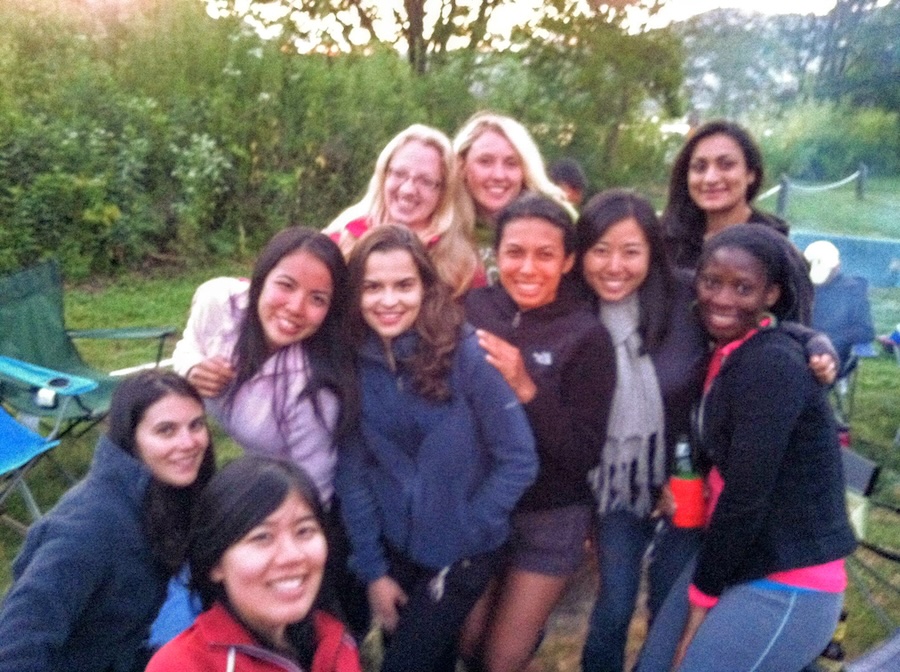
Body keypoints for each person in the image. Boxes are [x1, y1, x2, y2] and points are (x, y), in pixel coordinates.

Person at [636, 225, 857, 672]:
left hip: (788, 578)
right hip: (736, 553)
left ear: (771, 294)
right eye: (712, 282)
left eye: (743, 288)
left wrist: (703, 596)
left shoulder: (770, 364)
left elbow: (747, 493)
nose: (723, 299)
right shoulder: (728, 351)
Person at [336, 225, 538, 672]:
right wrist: (373, 571)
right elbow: (353, 473)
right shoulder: (353, 363)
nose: (388, 301)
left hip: (463, 550)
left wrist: (468, 527)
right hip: (395, 548)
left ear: (426, 288)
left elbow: (518, 458)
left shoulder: (466, 355)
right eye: (373, 287)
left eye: (404, 285)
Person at [169, 226, 366, 637]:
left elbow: (314, 494)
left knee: (306, 614)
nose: (296, 307)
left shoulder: (314, 391)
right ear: (261, 276)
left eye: (318, 300)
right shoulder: (218, 302)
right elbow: (189, 343)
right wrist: (191, 368)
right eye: (286, 285)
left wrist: (279, 552)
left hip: (328, 500)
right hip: (254, 472)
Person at [462, 193, 616, 672]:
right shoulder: (472, 309)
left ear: (568, 261)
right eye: (514, 252)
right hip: (478, 504)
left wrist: (525, 385)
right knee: (464, 643)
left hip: (550, 515)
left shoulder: (586, 335)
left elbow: (582, 451)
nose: (527, 267)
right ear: (495, 255)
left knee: (501, 659)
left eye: (545, 255)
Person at [0, 370, 215, 672]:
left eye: (196, 425)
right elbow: (18, 642)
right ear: (131, 438)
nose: (189, 442)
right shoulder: (89, 529)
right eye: (166, 431)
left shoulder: (180, 494)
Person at [575, 190, 707, 672]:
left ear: (652, 253)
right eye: (601, 250)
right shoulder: (572, 311)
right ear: (581, 252)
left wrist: (811, 342)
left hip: (684, 484)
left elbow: (757, 325)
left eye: (631, 251)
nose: (615, 266)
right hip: (613, 490)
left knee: (670, 605)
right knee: (614, 606)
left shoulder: (689, 300)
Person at [146, 456, 362, 672]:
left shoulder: (336, 643)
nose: (292, 555)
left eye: (304, 531)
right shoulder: (182, 665)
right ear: (215, 563)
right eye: (262, 537)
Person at [661, 119, 814, 324]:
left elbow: (798, 331)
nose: (710, 178)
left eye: (726, 165)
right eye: (699, 167)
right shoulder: (666, 241)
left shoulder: (778, 251)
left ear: (751, 173)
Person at [324, 124, 480, 298]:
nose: (408, 190)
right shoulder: (340, 242)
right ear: (383, 174)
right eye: (399, 174)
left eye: (426, 181)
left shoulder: (462, 266)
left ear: (444, 191)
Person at [804, 239, 875, 370]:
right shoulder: (800, 287)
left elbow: (866, 331)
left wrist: (832, 340)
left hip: (832, 353)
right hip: (798, 347)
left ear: (837, 267)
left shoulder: (852, 290)